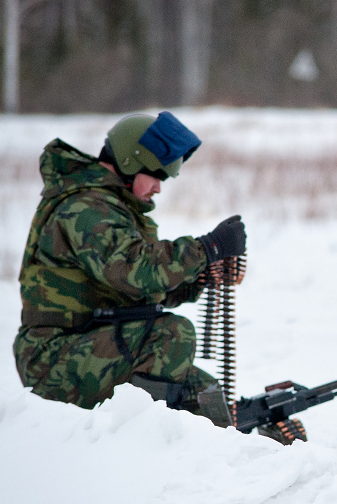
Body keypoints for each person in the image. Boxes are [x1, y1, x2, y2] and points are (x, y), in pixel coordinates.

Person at [13, 111, 246, 427]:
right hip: (53, 358)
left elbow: (142, 287)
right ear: (129, 162)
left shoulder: (109, 206)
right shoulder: (86, 209)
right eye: (155, 175)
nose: (158, 188)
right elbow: (136, 270)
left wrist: (201, 276)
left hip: (85, 344)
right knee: (172, 335)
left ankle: (228, 456)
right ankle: (139, 447)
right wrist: (207, 249)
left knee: (199, 389)